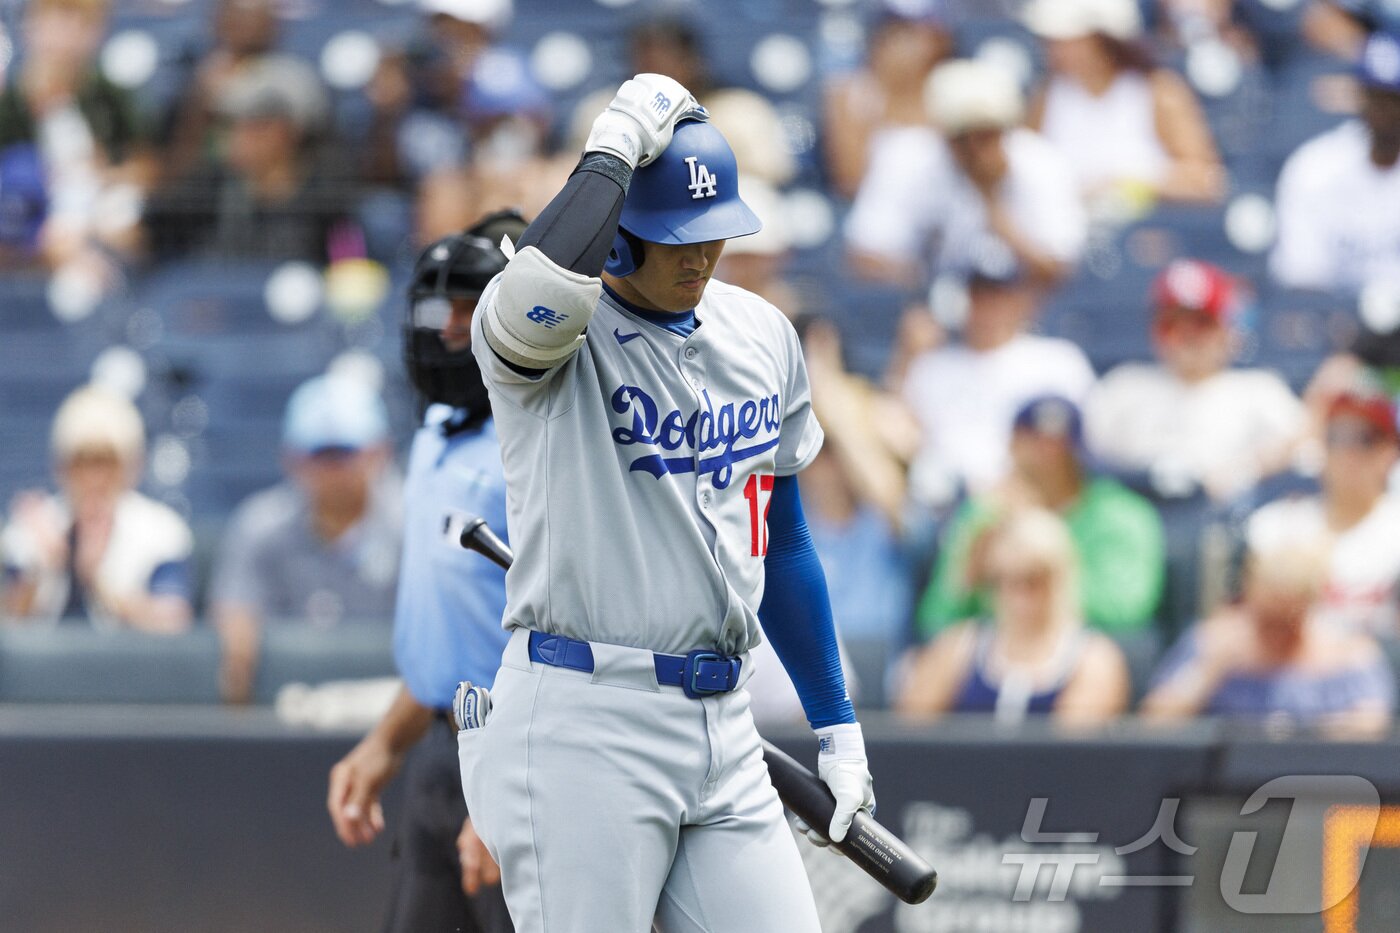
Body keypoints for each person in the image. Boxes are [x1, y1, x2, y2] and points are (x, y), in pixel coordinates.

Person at [460, 76, 870, 931]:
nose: (698, 256)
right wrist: (610, 152)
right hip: (584, 718)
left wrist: (836, 721)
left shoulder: (762, 334)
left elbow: (784, 541)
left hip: (726, 724)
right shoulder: (550, 341)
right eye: (670, 238)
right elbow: (540, 282)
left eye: (712, 234)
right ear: (614, 238)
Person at [328, 212, 523, 933]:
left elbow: (576, 643)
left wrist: (513, 797)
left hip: (525, 762)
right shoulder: (437, 433)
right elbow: (454, 639)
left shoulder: (544, 444)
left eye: (475, 309)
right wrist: (385, 741)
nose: (451, 329)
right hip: (443, 754)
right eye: (449, 308)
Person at [210, 374, 401, 703]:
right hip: (289, 709)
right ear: (292, 458)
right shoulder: (261, 525)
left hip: (390, 706)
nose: (333, 469)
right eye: (320, 454)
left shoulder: (412, 525)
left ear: (379, 452)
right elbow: (235, 622)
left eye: (345, 452)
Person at [916, 394, 1164, 638]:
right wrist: (971, 572)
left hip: (1082, 654)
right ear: (1012, 448)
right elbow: (936, 618)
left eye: (1057, 450)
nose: (1046, 461)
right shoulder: (985, 512)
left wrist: (1041, 553)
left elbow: (1126, 610)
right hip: (993, 655)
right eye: (1034, 447)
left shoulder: (1121, 514)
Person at [845, 57, 1086, 288]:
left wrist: (993, 209)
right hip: (932, 304)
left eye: (987, 134)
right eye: (963, 136)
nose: (975, 148)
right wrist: (932, 285)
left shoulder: (1041, 162)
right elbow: (866, 254)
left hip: (1017, 306)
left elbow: (1058, 270)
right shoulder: (908, 157)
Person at [1085, 259, 1306, 501]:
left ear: (1227, 330)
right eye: (1171, 324)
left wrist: (1247, 468)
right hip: (1135, 515)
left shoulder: (1258, 391)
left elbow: (1307, 446)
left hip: (1223, 523)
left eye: (1201, 323)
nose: (1186, 336)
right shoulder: (1124, 385)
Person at [901, 245, 1097, 507]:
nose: (989, 307)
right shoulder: (931, 367)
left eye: (999, 295)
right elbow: (903, 434)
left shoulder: (1060, 361)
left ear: (1021, 299)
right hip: (944, 504)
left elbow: (1080, 450)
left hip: (1034, 501)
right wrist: (905, 355)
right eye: (979, 294)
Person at [896, 507, 1131, 725]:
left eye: (1033, 580)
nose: (1019, 597)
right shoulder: (958, 647)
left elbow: (1071, 753)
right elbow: (911, 733)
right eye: (1004, 581)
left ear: (1060, 580)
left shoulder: (1092, 659)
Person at [1142, 539, 1395, 734]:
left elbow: (1373, 726)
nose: (1275, 633)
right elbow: (1154, 722)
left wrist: (1307, 737)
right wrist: (1207, 673)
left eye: (1286, 622)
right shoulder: (1211, 641)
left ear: (1309, 607)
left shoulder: (1348, 653)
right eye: (1266, 620)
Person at [1, 385, 193, 631]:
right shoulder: (31, 530)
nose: (94, 478)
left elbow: (172, 624)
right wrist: (38, 569)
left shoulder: (162, 531)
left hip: (129, 668)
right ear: (62, 467)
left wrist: (96, 581)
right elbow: (9, 625)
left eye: (106, 462)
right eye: (82, 462)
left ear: (130, 467)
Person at [145, 55, 352, 264]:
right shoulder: (208, 189)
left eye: (255, 124)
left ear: (289, 131)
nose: (236, 135)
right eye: (229, 124)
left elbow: (350, 270)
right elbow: (146, 235)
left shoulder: (329, 203)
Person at [1023, 0, 1226, 210]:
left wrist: (1126, 187)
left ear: (1105, 40)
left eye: (1069, 42)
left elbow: (1205, 180)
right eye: (1051, 42)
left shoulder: (1159, 91)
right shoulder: (1046, 96)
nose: (1055, 51)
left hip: (1145, 235)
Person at [1246, 380, 1400, 636]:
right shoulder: (1278, 522)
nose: (1347, 451)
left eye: (1364, 439)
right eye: (1335, 437)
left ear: (1390, 452)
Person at [1269, 30, 1400, 294]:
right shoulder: (1315, 167)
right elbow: (1302, 277)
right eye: (1377, 98)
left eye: (1395, 100)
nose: (1387, 112)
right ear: (1361, 97)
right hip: (1339, 326)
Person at [822, 0, 953, 200]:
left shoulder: (955, 88)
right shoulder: (850, 93)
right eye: (893, 31)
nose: (902, 43)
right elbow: (850, 180)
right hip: (878, 216)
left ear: (939, 39)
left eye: (913, 32)